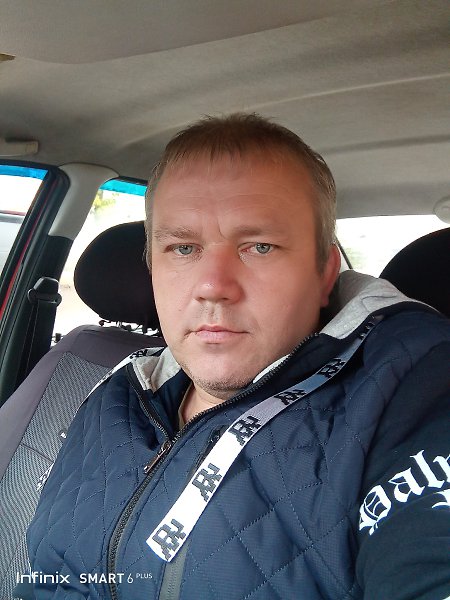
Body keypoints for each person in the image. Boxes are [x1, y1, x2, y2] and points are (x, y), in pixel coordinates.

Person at [26, 114, 450, 599]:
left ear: (325, 273)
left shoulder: (409, 392)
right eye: (183, 248)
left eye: (260, 246)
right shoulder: (116, 395)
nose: (213, 286)